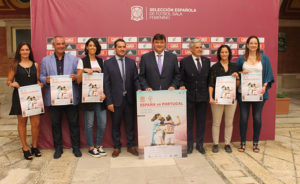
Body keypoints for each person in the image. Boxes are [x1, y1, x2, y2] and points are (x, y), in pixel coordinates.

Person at [40, 36, 81, 159]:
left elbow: (79, 77)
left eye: (63, 43)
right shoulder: (45, 60)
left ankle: (76, 148)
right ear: (53, 45)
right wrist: (45, 79)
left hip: (70, 97)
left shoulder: (74, 59)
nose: (61, 46)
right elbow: (41, 76)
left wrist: (75, 77)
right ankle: (58, 149)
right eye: (58, 44)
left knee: (74, 123)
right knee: (55, 124)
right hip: (54, 98)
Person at [103, 39, 141, 157]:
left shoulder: (131, 62)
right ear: (114, 48)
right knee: (116, 125)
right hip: (115, 101)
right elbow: (106, 84)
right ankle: (116, 147)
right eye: (119, 47)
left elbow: (135, 79)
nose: (122, 49)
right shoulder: (108, 63)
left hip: (129, 99)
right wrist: (109, 101)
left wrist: (139, 90)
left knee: (130, 125)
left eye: (124, 46)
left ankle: (130, 146)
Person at [236, 36, 274, 153]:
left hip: (259, 93)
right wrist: (241, 73)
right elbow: (236, 74)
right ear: (247, 45)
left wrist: (264, 87)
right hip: (244, 93)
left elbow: (268, 74)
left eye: (255, 43)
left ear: (258, 45)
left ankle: (255, 143)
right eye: (251, 43)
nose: (253, 45)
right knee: (243, 118)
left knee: (257, 118)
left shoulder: (264, 58)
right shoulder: (241, 59)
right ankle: (242, 142)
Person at [7, 42, 43, 160]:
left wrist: (39, 84)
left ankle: (34, 146)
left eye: (27, 49)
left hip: (33, 97)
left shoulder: (35, 65)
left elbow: (36, 80)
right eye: (22, 50)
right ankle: (25, 147)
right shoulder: (15, 65)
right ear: (19, 52)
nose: (25, 52)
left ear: (30, 51)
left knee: (36, 124)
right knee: (22, 123)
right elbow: (8, 81)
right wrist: (13, 83)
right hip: (20, 97)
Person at [179, 39, 211, 154]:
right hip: (189, 97)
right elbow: (180, 78)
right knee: (189, 122)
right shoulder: (184, 62)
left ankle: (200, 144)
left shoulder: (207, 61)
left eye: (201, 47)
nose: (200, 49)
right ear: (191, 49)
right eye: (197, 47)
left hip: (202, 97)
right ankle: (189, 145)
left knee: (201, 122)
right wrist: (182, 85)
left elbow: (209, 80)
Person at [77, 38, 107, 157]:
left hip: (100, 97)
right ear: (86, 48)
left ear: (97, 47)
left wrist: (104, 93)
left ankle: (98, 145)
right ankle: (90, 147)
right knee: (89, 123)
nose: (92, 47)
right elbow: (78, 80)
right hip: (88, 98)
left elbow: (104, 80)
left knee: (102, 123)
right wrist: (84, 70)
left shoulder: (101, 61)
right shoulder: (82, 61)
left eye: (94, 46)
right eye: (90, 45)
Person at [208, 45, 240, 153]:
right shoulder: (214, 67)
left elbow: (237, 85)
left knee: (229, 123)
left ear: (229, 53)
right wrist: (211, 97)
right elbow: (211, 84)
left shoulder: (234, 67)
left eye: (226, 52)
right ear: (219, 54)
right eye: (222, 52)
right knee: (216, 122)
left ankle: (227, 144)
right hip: (217, 100)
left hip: (231, 99)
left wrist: (237, 77)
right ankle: (216, 144)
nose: (224, 54)